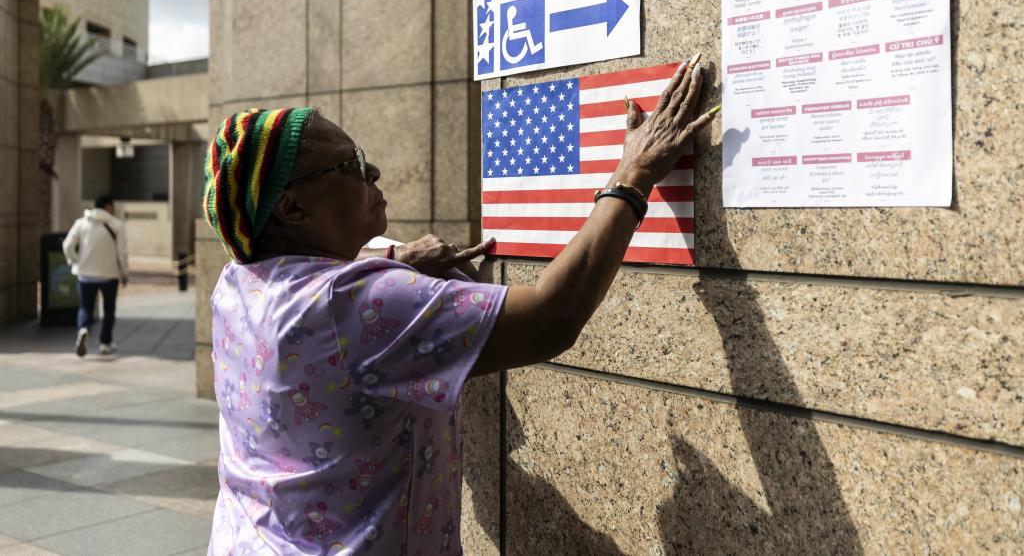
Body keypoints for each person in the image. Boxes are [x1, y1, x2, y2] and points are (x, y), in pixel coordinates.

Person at [203, 55, 714, 554]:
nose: (374, 170)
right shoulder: (355, 303)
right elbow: (550, 317)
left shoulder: (238, 282)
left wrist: (395, 258)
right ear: (292, 208)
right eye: (351, 165)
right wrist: (633, 173)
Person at [62, 194, 129, 357]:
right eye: (112, 206)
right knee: (109, 309)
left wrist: (74, 260)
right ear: (107, 206)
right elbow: (122, 253)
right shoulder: (117, 225)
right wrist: (124, 273)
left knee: (86, 307)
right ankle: (105, 343)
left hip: (85, 274)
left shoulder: (81, 223)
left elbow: (67, 245)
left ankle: (84, 328)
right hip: (109, 274)